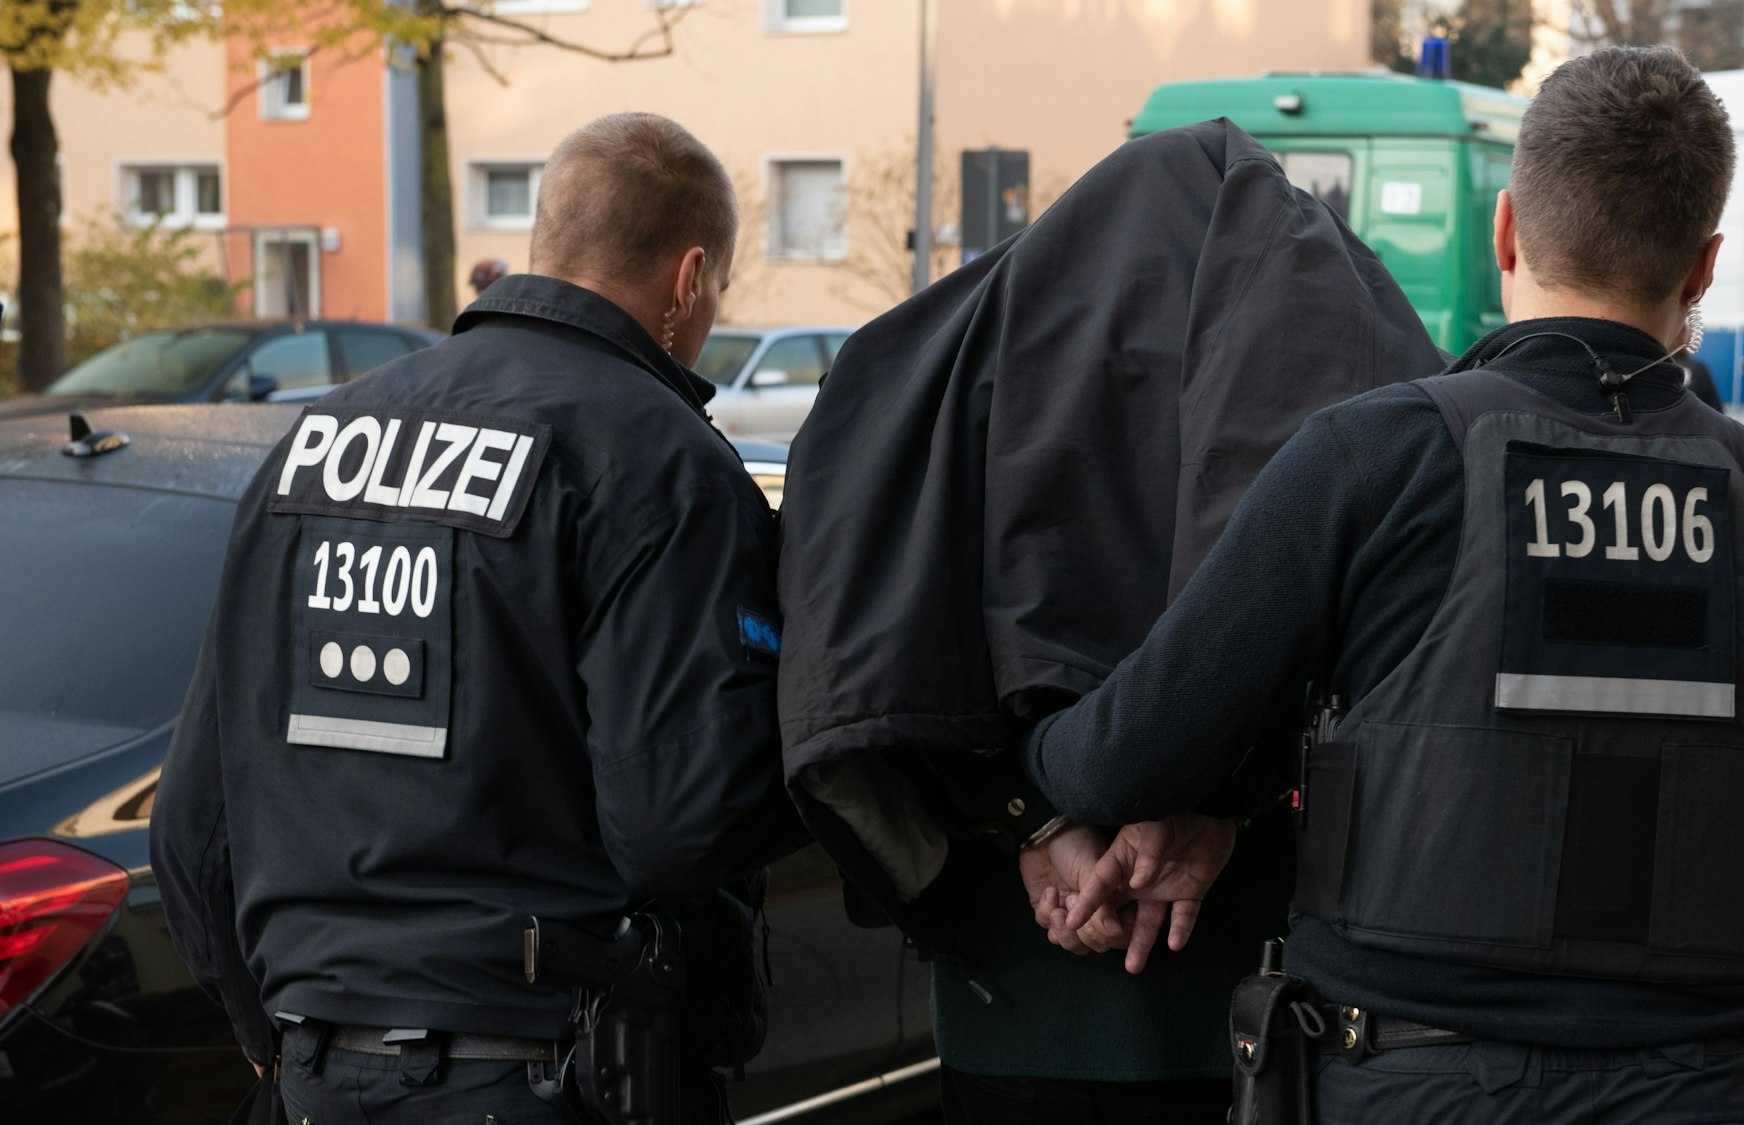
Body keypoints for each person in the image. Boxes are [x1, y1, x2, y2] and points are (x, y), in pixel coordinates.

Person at [1024, 47, 1744, 1123]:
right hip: (1690, 1084)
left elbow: (1134, 749)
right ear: (1702, 264)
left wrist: (1028, 765)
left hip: (1408, 1081)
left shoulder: (1373, 457)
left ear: (1505, 230)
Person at [774, 120, 1445, 1125]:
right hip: (1259, 1009)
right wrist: (1213, 806)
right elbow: (1385, 656)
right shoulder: (1332, 375)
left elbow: (873, 642)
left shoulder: (954, 373)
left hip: (1014, 997)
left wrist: (1033, 825)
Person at [151, 113, 802, 1125]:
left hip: (317, 1069)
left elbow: (194, 825)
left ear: (547, 240)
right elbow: (682, 824)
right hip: (547, 1068)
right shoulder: (658, 460)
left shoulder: (317, 443)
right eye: (715, 289)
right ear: (687, 279)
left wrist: (276, 1044)